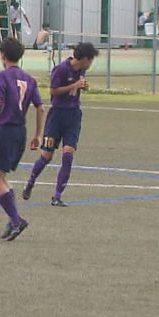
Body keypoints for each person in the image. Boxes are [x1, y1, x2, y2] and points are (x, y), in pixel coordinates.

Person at [0, 38, 44, 242]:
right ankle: (11, 219)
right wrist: (37, 135)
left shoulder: (3, 76)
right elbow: (40, 108)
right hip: (20, 132)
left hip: (5, 130)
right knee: (2, 177)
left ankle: (16, 220)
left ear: (3, 56)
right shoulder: (30, 80)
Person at [21, 42, 98, 206]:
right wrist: (74, 85)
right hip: (56, 117)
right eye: (91, 60)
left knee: (68, 154)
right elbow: (53, 91)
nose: (91, 64)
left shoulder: (82, 71)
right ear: (85, 59)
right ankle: (30, 182)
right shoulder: (61, 69)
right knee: (46, 156)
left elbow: (76, 87)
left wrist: (82, 87)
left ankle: (57, 196)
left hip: (73, 117)